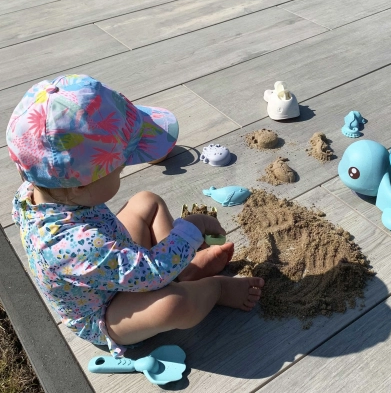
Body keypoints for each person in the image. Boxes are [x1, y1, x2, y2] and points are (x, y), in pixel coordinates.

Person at [6, 74, 263, 357]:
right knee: (173, 305)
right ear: (80, 185)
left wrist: (179, 247)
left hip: (116, 263)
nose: (123, 171)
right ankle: (216, 289)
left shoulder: (38, 189)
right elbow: (149, 274)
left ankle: (183, 270)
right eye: (119, 169)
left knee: (146, 202)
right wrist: (193, 227)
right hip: (106, 311)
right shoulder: (71, 246)